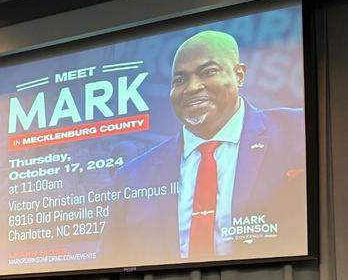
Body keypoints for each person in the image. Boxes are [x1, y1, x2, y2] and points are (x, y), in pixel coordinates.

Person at [108, 29, 306, 264]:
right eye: (179, 80)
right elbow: (112, 257)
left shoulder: (298, 131)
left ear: (239, 75)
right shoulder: (132, 177)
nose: (191, 88)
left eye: (208, 72)